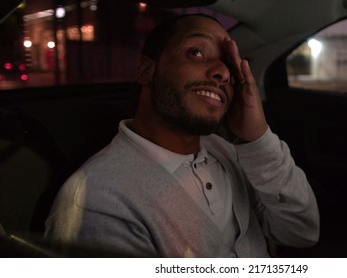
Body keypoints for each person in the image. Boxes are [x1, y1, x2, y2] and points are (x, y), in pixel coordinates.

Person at [45, 14, 320, 257]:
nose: (222, 72)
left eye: (229, 64)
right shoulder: (97, 201)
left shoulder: (228, 151)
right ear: (146, 70)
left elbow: (302, 232)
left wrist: (258, 139)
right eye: (196, 53)